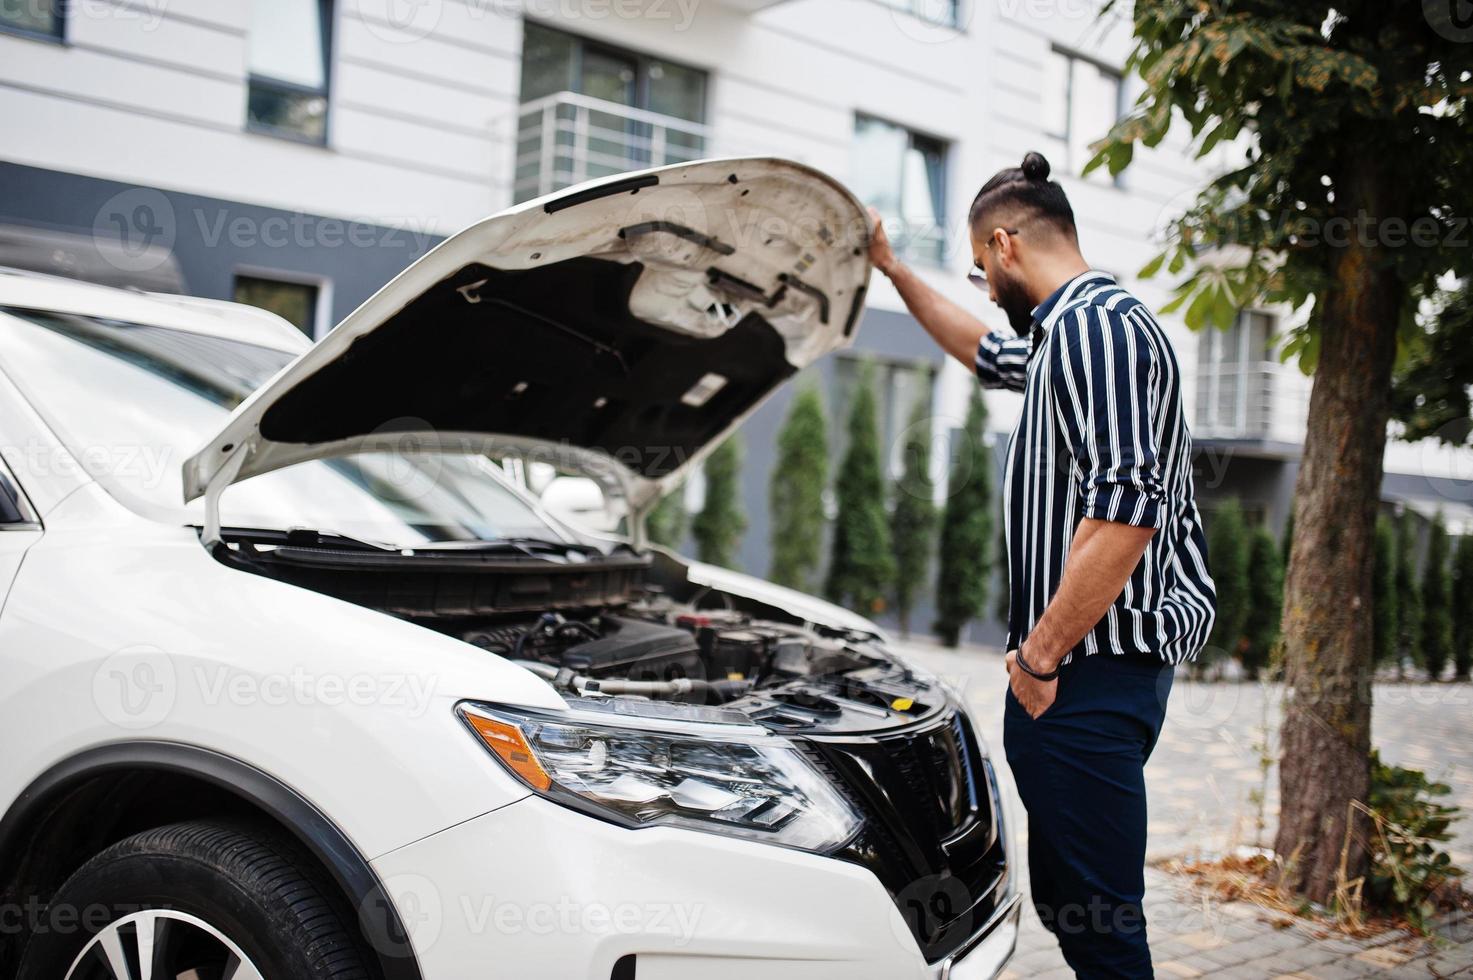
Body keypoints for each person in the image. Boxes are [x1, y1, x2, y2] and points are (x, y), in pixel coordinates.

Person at [868, 151, 1217, 978]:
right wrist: (890, 268)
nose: (985, 287)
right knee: (1074, 899)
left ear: (1005, 244)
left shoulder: (1096, 328)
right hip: (1078, 675)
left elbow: (1124, 509)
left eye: (981, 269)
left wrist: (1039, 656)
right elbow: (981, 351)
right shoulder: (1068, 337)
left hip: (1085, 674)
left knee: (1101, 926)